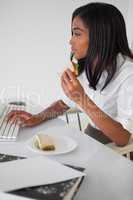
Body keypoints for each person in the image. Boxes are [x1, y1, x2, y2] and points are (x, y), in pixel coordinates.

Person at [8, 2, 133, 147]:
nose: (71, 41)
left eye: (77, 34)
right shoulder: (89, 64)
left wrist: (82, 100)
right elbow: (63, 104)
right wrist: (36, 118)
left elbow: (124, 138)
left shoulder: (128, 75)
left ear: (101, 36)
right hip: (90, 139)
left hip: (114, 150)